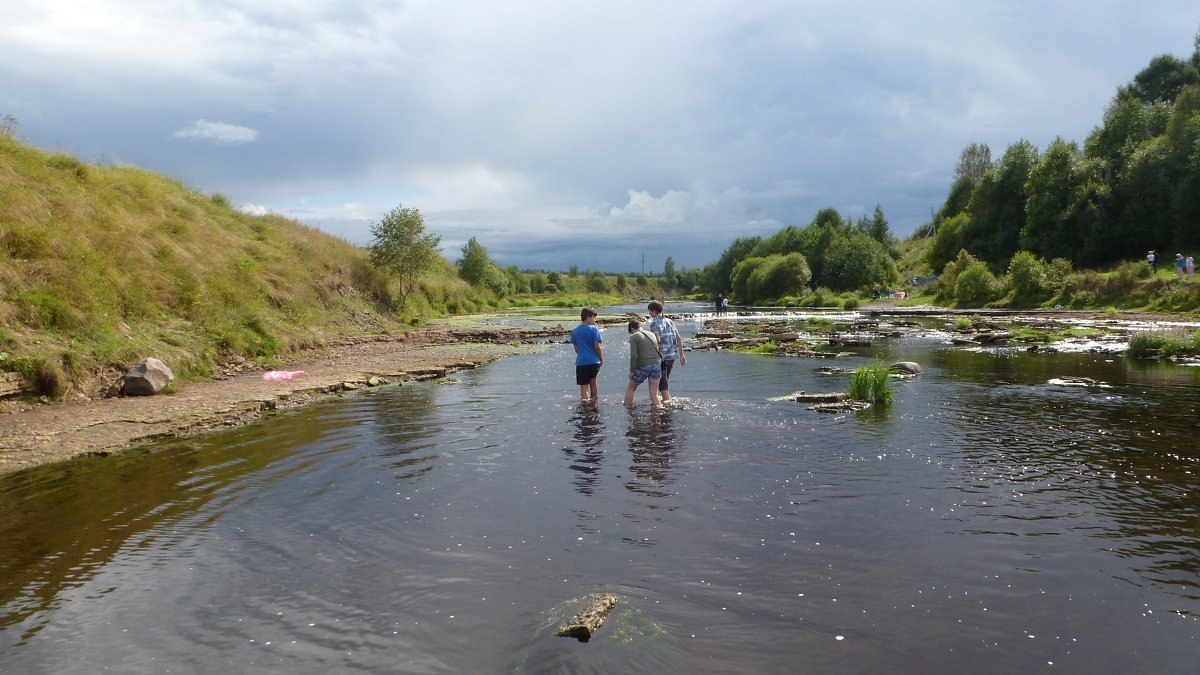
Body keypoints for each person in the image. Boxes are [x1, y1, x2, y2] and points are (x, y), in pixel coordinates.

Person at [646, 301, 687, 402]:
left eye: (650, 312)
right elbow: (679, 338)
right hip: (672, 356)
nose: (649, 314)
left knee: (661, 382)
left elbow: (657, 339)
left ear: (654, 311)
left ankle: (667, 403)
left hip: (661, 357)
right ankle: (667, 400)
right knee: (664, 379)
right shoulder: (670, 321)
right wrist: (682, 355)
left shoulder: (654, 323)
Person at [623, 319, 661, 406]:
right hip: (657, 364)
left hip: (644, 365)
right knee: (654, 394)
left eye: (631, 332)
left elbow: (634, 356)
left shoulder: (634, 337)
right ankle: (659, 410)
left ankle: (626, 408)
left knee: (631, 387)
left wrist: (632, 371)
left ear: (632, 329)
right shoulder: (652, 334)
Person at [569, 307, 603, 401]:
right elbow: (597, 346)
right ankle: (594, 403)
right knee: (593, 383)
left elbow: (576, 349)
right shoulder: (594, 329)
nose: (594, 320)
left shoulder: (575, 330)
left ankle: (585, 404)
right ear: (588, 317)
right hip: (594, 360)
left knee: (584, 385)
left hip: (582, 361)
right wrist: (600, 357)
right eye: (593, 317)